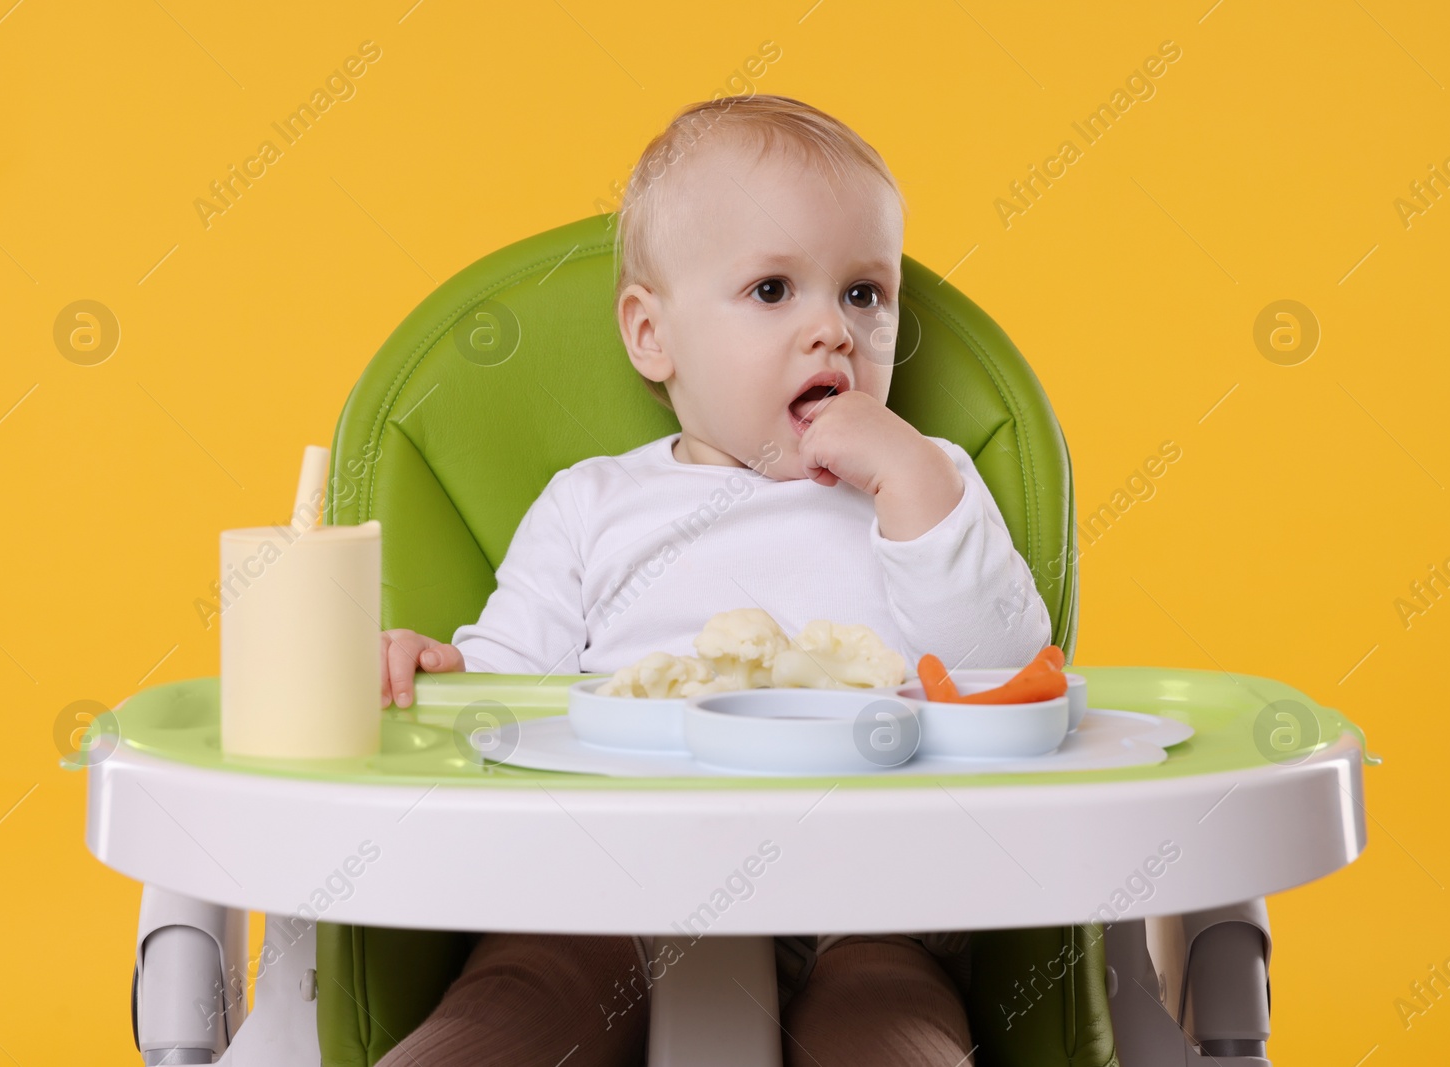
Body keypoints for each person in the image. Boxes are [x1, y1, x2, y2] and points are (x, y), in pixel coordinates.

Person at [373, 93, 1052, 1066]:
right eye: (773, 290)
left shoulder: (927, 477)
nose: (832, 332)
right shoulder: (593, 503)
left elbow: (1013, 681)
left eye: (864, 293)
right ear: (652, 335)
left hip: (871, 894)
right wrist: (430, 674)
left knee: (890, 1014)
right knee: (524, 992)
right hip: (598, 885)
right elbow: (504, 694)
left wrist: (913, 484)